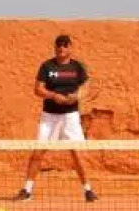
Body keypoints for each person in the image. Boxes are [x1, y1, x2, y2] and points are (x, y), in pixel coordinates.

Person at [16, 33, 97, 201]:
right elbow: (38, 89)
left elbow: (85, 87)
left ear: (70, 48)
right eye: (59, 45)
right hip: (50, 117)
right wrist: (53, 96)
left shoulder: (77, 67)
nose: (61, 48)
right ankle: (27, 190)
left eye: (65, 45)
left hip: (70, 117)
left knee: (77, 153)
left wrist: (76, 96)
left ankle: (88, 191)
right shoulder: (47, 66)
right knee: (38, 152)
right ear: (55, 47)